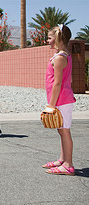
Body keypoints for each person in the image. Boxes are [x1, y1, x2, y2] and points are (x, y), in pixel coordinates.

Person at [42, 24, 76, 175]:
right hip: (61, 99)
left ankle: (68, 165)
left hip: (62, 100)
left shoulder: (60, 58)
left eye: (49, 38)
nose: (47, 41)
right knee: (61, 131)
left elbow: (57, 83)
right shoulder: (61, 56)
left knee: (65, 131)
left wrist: (51, 105)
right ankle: (63, 159)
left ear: (58, 39)